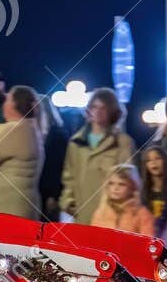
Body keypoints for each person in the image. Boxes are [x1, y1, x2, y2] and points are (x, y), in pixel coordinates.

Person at [58, 87, 135, 224]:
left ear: (112, 111)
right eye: (94, 106)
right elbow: (69, 176)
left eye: (103, 107)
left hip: (112, 215)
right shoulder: (76, 142)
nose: (98, 111)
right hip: (81, 213)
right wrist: (68, 202)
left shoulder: (123, 142)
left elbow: (128, 178)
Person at [0, 84, 43, 220]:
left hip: (9, 209)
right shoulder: (30, 128)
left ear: (13, 104)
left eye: (7, 99)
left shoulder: (15, 129)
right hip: (17, 206)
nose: (4, 104)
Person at [88, 164, 155, 234]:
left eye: (121, 184)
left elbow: (148, 242)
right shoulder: (100, 212)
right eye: (111, 183)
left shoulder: (142, 214)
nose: (115, 188)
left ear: (132, 188)